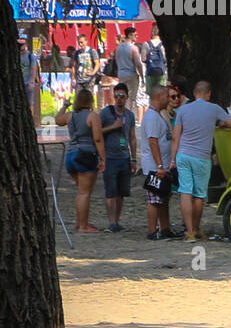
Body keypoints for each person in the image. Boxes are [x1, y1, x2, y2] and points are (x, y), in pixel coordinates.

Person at [172, 80, 231, 240]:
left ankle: (188, 231)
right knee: (199, 195)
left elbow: (176, 136)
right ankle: (196, 229)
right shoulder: (214, 109)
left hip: (183, 155)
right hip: (202, 158)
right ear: (208, 93)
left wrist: (173, 159)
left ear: (195, 93)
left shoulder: (183, 110)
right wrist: (222, 124)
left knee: (185, 191)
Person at [55, 87, 107, 233]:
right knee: (85, 192)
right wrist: (103, 158)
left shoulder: (70, 116)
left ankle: (80, 222)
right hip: (85, 155)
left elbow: (58, 120)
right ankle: (83, 226)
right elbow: (98, 138)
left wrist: (65, 106)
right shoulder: (92, 116)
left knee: (81, 191)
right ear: (91, 101)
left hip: (71, 155)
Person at [98, 82, 138, 232]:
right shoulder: (106, 113)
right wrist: (112, 127)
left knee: (121, 192)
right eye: (116, 96)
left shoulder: (130, 115)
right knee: (110, 191)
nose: (119, 99)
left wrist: (133, 159)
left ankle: (117, 220)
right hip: (109, 157)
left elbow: (132, 137)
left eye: (122, 96)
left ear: (127, 97)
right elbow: (97, 132)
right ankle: (111, 222)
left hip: (124, 157)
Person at [140, 84, 177, 240]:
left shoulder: (159, 115)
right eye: (166, 96)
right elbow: (153, 142)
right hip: (154, 167)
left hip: (162, 165)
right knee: (154, 200)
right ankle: (152, 230)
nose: (169, 99)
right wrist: (159, 165)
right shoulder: (152, 117)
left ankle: (165, 228)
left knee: (163, 199)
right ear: (158, 97)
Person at [113, 26, 145, 119]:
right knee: (130, 97)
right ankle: (127, 116)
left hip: (121, 74)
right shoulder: (133, 48)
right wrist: (142, 76)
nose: (137, 36)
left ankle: (120, 114)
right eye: (135, 35)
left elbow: (117, 61)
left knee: (121, 95)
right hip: (131, 74)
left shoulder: (119, 48)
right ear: (130, 35)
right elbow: (138, 64)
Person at [143, 24, 167, 91]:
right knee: (162, 91)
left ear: (152, 33)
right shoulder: (163, 44)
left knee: (151, 92)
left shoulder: (146, 44)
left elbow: (143, 59)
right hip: (162, 71)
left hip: (150, 72)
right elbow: (165, 59)